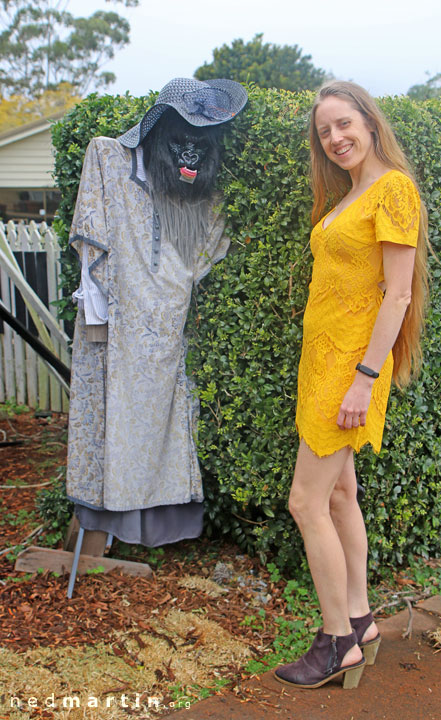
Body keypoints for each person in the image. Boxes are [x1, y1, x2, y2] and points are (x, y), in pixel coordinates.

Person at [274, 81, 429, 690]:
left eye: (344, 124)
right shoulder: (354, 191)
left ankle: (336, 638)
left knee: (304, 502)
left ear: (369, 120)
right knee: (338, 497)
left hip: (350, 368)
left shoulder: (392, 188)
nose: (335, 138)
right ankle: (360, 618)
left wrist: (365, 379)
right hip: (324, 362)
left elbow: (399, 293)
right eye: (324, 132)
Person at [66, 78, 247, 548]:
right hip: (115, 329)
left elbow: (200, 256)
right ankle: (103, 528)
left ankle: (157, 529)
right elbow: (93, 246)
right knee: (110, 422)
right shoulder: (108, 158)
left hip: (166, 334)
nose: (190, 155)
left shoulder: (202, 199)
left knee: (163, 430)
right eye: (181, 140)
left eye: (200, 144)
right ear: (159, 129)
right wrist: (100, 319)